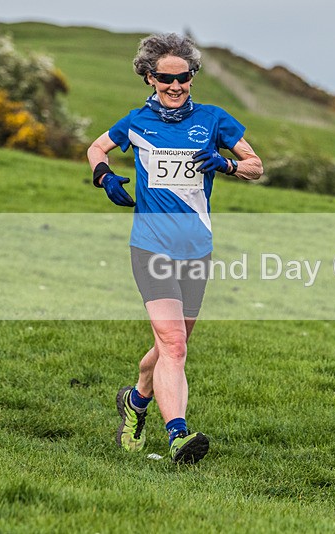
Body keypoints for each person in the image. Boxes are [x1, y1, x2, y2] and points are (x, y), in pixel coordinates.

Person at [86, 33, 263, 464]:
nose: (175, 86)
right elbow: (96, 146)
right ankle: (178, 435)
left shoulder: (214, 119)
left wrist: (228, 164)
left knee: (172, 345)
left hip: (197, 249)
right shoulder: (136, 122)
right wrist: (104, 176)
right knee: (174, 345)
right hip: (150, 246)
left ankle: (136, 402)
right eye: (166, 79)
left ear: (192, 76)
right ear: (149, 77)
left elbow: (256, 167)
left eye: (184, 77)